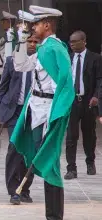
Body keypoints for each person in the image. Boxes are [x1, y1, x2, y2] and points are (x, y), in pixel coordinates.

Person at [10, 5, 75, 220]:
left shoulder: (54, 48)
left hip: (47, 112)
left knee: (50, 164)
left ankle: (54, 216)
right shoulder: (44, 47)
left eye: (36, 23)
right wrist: (19, 41)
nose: (32, 27)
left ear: (47, 25)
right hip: (35, 110)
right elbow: (20, 66)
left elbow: (65, 85)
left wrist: (56, 116)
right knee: (45, 162)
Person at [0, 33, 39, 205]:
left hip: (34, 111)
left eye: (36, 41)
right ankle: (14, 191)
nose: (32, 44)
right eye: (30, 41)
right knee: (15, 148)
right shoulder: (12, 61)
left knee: (30, 150)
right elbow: (2, 88)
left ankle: (24, 189)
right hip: (13, 111)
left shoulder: (42, 63)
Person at [64, 30, 101, 179]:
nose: (71, 45)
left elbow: (100, 80)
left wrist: (96, 96)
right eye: (70, 42)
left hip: (88, 101)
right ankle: (71, 168)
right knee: (71, 136)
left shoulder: (95, 58)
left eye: (75, 42)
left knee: (89, 134)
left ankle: (90, 161)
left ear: (84, 41)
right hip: (72, 101)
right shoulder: (68, 58)